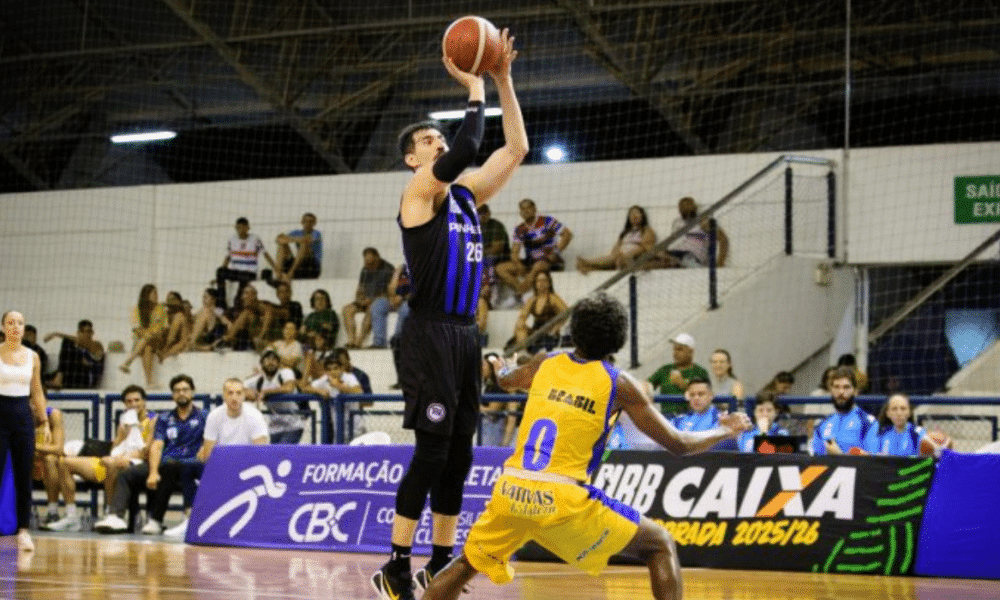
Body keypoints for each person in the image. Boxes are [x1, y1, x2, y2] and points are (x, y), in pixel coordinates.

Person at [419, 292, 751, 600]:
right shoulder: (617, 382)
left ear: (575, 332)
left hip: (513, 489)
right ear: (619, 338)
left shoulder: (546, 362)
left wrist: (500, 364)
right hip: (563, 498)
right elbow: (678, 444)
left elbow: (506, 379)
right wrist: (723, 431)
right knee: (660, 544)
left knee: (466, 564)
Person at [371, 28, 529, 600]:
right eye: (429, 141)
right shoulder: (419, 193)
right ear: (414, 158)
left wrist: (504, 79)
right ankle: (394, 563)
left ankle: (439, 562)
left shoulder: (465, 196)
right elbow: (468, 147)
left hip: (465, 334)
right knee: (431, 451)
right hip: (430, 331)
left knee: (460, 455)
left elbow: (514, 150)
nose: (440, 145)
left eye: (440, 138)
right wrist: (472, 85)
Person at [94, 374, 207, 535]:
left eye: (185, 389)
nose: (181, 393)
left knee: (172, 467)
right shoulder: (164, 418)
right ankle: (116, 517)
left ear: (193, 392)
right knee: (127, 474)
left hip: (190, 465)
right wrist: (153, 472)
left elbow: (209, 442)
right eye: (177, 390)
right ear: (172, 395)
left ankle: (161, 520)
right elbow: (157, 446)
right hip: (165, 463)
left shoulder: (204, 416)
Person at [164, 378, 269, 539]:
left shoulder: (254, 416)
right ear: (224, 396)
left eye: (239, 393)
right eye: (230, 393)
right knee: (188, 467)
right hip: (222, 465)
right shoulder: (214, 416)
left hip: (249, 467)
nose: (234, 397)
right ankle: (191, 519)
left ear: (244, 396)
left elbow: (260, 454)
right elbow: (207, 454)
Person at [46, 384, 157, 531]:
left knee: (110, 462)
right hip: (114, 458)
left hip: (137, 463)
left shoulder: (153, 420)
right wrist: (122, 436)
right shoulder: (125, 419)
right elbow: (115, 447)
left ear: (144, 402)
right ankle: (71, 516)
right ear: (124, 404)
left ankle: (111, 513)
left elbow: (146, 450)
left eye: (137, 400)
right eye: (129, 401)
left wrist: (124, 454)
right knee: (65, 462)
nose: (133, 404)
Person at [0, 311, 50, 551]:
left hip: (22, 418)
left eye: (20, 323)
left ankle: (24, 531)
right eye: (10, 322)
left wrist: (45, 421)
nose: (15, 327)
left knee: (23, 475)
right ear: (2, 327)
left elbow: (37, 392)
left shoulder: (33, 357)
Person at [495, 198, 573, 296]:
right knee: (500, 268)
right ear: (520, 213)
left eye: (529, 208)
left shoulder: (547, 221)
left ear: (535, 209)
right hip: (531, 261)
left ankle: (520, 293)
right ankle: (520, 289)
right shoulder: (519, 229)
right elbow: (514, 252)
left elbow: (567, 234)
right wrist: (518, 264)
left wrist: (556, 252)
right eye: (522, 209)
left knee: (538, 266)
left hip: (549, 260)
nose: (526, 211)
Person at [216, 217, 278, 309]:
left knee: (243, 279)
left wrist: (277, 269)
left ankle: (238, 301)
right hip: (235, 271)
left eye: (242, 227)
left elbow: (265, 254)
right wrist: (219, 278)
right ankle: (221, 303)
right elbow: (227, 257)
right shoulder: (232, 239)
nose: (240, 230)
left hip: (249, 272)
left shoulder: (255, 239)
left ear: (248, 228)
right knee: (220, 271)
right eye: (238, 228)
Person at [811, 367, 875, 456]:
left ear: (855, 391)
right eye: (836, 387)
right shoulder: (822, 424)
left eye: (846, 387)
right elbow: (815, 461)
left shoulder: (868, 423)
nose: (841, 392)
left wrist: (840, 456)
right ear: (831, 391)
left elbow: (874, 464)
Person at [650, 196, 729, 268]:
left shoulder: (704, 221)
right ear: (679, 209)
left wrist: (720, 263)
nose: (685, 207)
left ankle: (679, 263)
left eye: (688, 204)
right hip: (675, 253)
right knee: (653, 255)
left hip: (692, 256)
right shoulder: (677, 222)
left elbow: (723, 239)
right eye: (682, 206)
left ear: (695, 206)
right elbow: (671, 242)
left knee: (676, 259)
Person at [576, 205, 657, 273]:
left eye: (637, 213)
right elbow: (615, 249)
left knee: (617, 258)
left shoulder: (647, 230)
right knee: (614, 258)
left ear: (642, 216)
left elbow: (644, 247)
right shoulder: (625, 233)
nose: (634, 216)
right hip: (620, 257)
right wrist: (618, 255)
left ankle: (588, 262)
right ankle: (588, 267)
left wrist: (628, 255)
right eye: (631, 214)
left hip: (633, 257)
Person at [243, 349, 301, 444]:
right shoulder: (259, 379)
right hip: (274, 426)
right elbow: (240, 387)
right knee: (276, 457)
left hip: (293, 424)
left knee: (282, 453)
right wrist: (250, 393)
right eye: (267, 359)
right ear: (261, 364)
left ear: (279, 363)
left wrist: (264, 392)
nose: (271, 362)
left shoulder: (285, 372)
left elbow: (288, 388)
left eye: (274, 360)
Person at [300, 356, 363, 443]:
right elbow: (304, 388)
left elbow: (359, 391)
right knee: (338, 453)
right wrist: (319, 390)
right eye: (329, 369)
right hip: (338, 430)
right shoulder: (325, 379)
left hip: (355, 428)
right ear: (326, 371)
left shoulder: (349, 377)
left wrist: (337, 385)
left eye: (335, 368)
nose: (333, 371)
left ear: (341, 368)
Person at [342, 248, 395, 349]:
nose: (369, 266)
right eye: (367, 263)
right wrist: (360, 299)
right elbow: (360, 288)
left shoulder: (388, 269)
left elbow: (390, 292)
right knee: (346, 310)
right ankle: (351, 340)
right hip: (365, 300)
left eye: (372, 263)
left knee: (371, 310)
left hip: (379, 300)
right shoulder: (365, 270)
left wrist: (372, 300)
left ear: (377, 258)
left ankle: (359, 342)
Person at [119, 284, 168, 386]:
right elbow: (136, 330)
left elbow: (164, 328)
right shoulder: (137, 309)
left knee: (148, 340)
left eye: (156, 293)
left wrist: (152, 334)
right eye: (154, 293)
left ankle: (128, 361)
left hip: (158, 339)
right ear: (146, 295)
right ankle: (149, 383)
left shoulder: (161, 309)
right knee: (147, 348)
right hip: (143, 341)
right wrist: (148, 335)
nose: (157, 295)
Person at [509, 270, 568, 352]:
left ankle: (523, 351)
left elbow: (566, 312)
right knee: (520, 328)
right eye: (539, 281)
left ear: (549, 283)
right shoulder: (532, 300)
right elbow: (522, 316)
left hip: (549, 333)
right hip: (536, 332)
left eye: (544, 280)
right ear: (535, 283)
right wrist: (520, 324)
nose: (541, 283)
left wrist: (557, 327)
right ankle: (523, 354)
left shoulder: (552, 298)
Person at [862, 393, 935, 457]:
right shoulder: (881, 434)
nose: (899, 413)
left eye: (903, 409)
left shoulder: (919, 434)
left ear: (909, 412)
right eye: (894, 409)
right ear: (888, 413)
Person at [43, 320, 105, 389]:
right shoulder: (80, 349)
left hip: (87, 381)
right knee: (44, 378)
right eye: (83, 332)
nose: (87, 334)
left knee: (67, 343)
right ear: (78, 333)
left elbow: (82, 342)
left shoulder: (97, 345)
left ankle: (58, 379)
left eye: (89, 331)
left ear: (92, 333)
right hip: (74, 379)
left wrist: (56, 334)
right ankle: (57, 379)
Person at [647, 333, 710, 398]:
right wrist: (645, 386)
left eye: (679, 349)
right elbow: (648, 385)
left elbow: (705, 397)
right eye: (674, 349)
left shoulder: (700, 372)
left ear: (691, 352)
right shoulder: (665, 370)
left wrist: (682, 383)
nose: (675, 353)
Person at [370, 263, 412, 351]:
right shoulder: (403, 270)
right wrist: (396, 275)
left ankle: (398, 341)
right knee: (378, 304)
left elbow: (423, 289)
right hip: (397, 300)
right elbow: (391, 290)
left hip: (412, 301)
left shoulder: (423, 269)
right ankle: (379, 342)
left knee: (405, 307)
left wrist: (403, 297)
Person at [271, 212, 322, 283]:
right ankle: (278, 274)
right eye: (305, 221)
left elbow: (307, 240)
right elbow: (279, 239)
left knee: (304, 244)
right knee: (281, 245)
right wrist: (296, 239)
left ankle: (290, 273)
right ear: (301, 222)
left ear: (314, 223)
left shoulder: (317, 233)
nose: (308, 223)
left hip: (311, 266)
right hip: (299, 263)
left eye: (310, 221)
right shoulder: (297, 232)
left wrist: (291, 239)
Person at [160, 291, 193, 359]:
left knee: (179, 317)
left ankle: (165, 353)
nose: (170, 302)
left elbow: (185, 338)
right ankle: (165, 352)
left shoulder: (182, 314)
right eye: (168, 300)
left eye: (173, 299)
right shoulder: (165, 313)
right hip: (166, 343)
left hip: (178, 344)